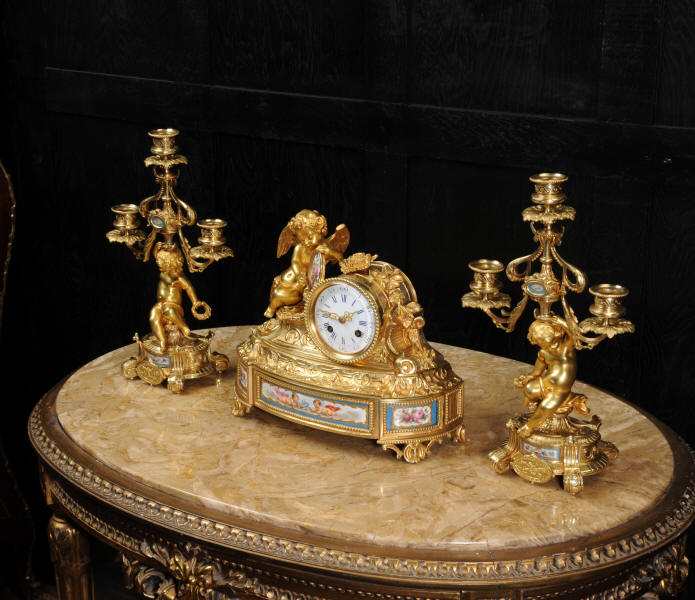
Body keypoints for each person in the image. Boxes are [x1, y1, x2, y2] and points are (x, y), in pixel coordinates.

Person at [265, 210, 349, 318]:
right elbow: (295, 262)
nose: (306, 241)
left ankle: (278, 306)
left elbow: (340, 258)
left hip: (307, 284)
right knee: (279, 291)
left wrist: (331, 252)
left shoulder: (324, 249)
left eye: (310, 236)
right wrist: (299, 274)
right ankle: (272, 307)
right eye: (303, 238)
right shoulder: (300, 247)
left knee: (290, 296)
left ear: (320, 233)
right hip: (293, 279)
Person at [515, 318, 587, 438]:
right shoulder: (543, 353)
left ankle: (529, 426)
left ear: (554, 336)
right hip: (546, 382)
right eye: (538, 342)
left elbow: (575, 335)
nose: (541, 346)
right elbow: (536, 373)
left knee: (546, 407)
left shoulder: (566, 348)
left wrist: (561, 322)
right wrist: (526, 379)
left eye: (542, 342)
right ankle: (535, 410)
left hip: (560, 389)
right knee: (529, 389)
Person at [149, 243, 210, 353]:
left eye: (161, 261)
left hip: (173, 306)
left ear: (171, 262)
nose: (158, 262)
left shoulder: (179, 277)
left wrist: (195, 302)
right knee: (153, 317)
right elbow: (155, 257)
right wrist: (155, 248)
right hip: (160, 305)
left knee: (169, 312)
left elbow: (189, 288)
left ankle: (184, 328)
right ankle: (162, 340)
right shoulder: (163, 273)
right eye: (158, 260)